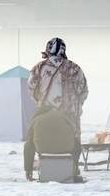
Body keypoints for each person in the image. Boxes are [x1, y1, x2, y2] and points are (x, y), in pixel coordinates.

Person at [28, 37, 88, 177]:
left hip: (46, 113)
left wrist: (41, 102)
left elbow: (31, 89)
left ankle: (47, 166)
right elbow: (83, 90)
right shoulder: (75, 68)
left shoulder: (39, 68)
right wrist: (76, 105)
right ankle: (73, 168)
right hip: (70, 114)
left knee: (47, 138)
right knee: (73, 140)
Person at [24, 106, 77, 181]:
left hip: (44, 150)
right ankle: (74, 170)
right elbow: (74, 130)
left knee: (30, 144)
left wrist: (28, 169)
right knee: (77, 144)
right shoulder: (62, 115)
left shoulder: (35, 120)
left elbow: (28, 147)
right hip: (65, 149)